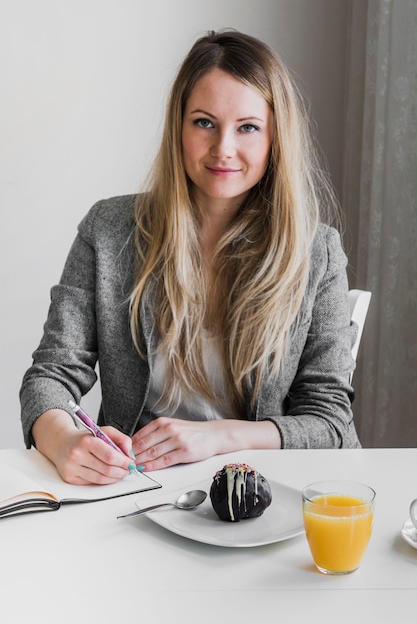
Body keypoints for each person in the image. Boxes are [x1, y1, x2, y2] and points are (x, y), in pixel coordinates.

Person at [20, 29, 361, 485]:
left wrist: (220, 437)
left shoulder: (317, 252)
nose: (223, 148)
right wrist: (64, 441)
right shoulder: (108, 229)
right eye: (204, 122)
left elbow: (331, 424)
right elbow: (50, 375)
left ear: (275, 137)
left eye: (248, 127)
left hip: (267, 492)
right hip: (137, 488)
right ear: (178, 127)